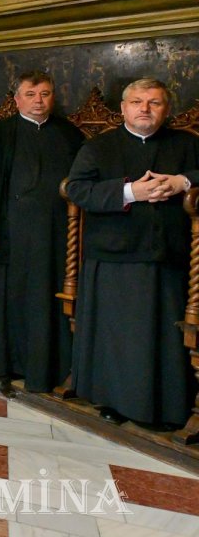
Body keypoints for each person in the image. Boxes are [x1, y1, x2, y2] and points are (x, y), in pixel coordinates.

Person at [66, 78, 199, 426]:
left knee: (163, 339)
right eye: (137, 102)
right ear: (123, 108)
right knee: (119, 339)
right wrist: (129, 193)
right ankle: (114, 401)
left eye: (154, 103)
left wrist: (181, 182)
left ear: (166, 109)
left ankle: (165, 408)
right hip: (114, 257)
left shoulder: (186, 144)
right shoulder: (99, 146)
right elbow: (78, 189)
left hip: (168, 256)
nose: (145, 109)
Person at [0, 71, 84, 395]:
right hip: (9, 235)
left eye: (45, 94)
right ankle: (1, 369)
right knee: (7, 302)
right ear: (17, 99)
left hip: (57, 238)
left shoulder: (69, 134)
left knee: (48, 301)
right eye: (31, 94)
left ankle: (47, 370)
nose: (39, 101)